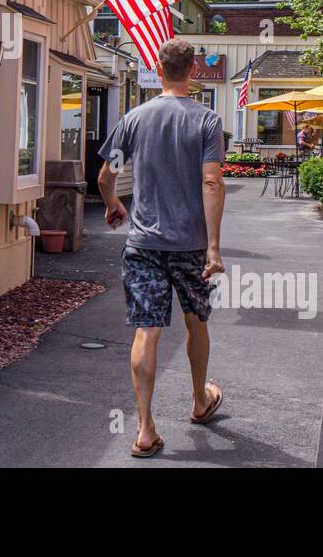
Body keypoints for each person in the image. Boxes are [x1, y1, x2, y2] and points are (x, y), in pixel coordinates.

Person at [97, 38, 226, 459]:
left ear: (158, 66)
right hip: (189, 244)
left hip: (144, 244)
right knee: (195, 321)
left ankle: (145, 428)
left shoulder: (134, 118)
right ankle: (199, 401)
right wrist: (213, 248)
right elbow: (211, 181)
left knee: (146, 330)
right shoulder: (206, 121)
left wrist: (115, 205)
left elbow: (104, 177)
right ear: (193, 70)